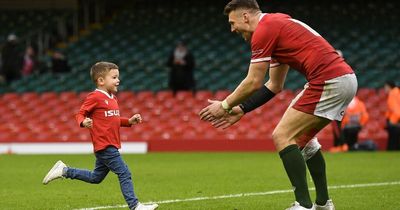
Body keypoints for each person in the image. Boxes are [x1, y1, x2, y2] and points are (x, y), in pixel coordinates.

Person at [199, 0, 357, 209]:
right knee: (303, 140)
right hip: (342, 79)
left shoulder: (264, 29)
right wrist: (241, 109)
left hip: (329, 80)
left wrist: (225, 105)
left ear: (245, 16)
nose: (232, 29)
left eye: (232, 22)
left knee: (282, 135)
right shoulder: (276, 25)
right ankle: (323, 203)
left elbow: (253, 81)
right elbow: (274, 85)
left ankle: (303, 205)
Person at [42, 62, 158, 210]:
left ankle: (64, 171)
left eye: (118, 77)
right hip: (105, 146)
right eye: (114, 77)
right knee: (124, 172)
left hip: (109, 145)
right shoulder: (95, 97)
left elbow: (113, 119)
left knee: (95, 178)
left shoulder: (113, 98)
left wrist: (129, 121)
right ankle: (135, 206)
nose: (118, 80)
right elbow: (80, 114)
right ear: (101, 81)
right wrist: (83, 122)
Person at [384, 81, 400, 150]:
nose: (385, 89)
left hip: (394, 120)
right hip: (396, 119)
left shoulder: (393, 93)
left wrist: (392, 121)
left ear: (389, 86)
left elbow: (395, 109)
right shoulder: (397, 92)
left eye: (385, 87)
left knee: (393, 143)